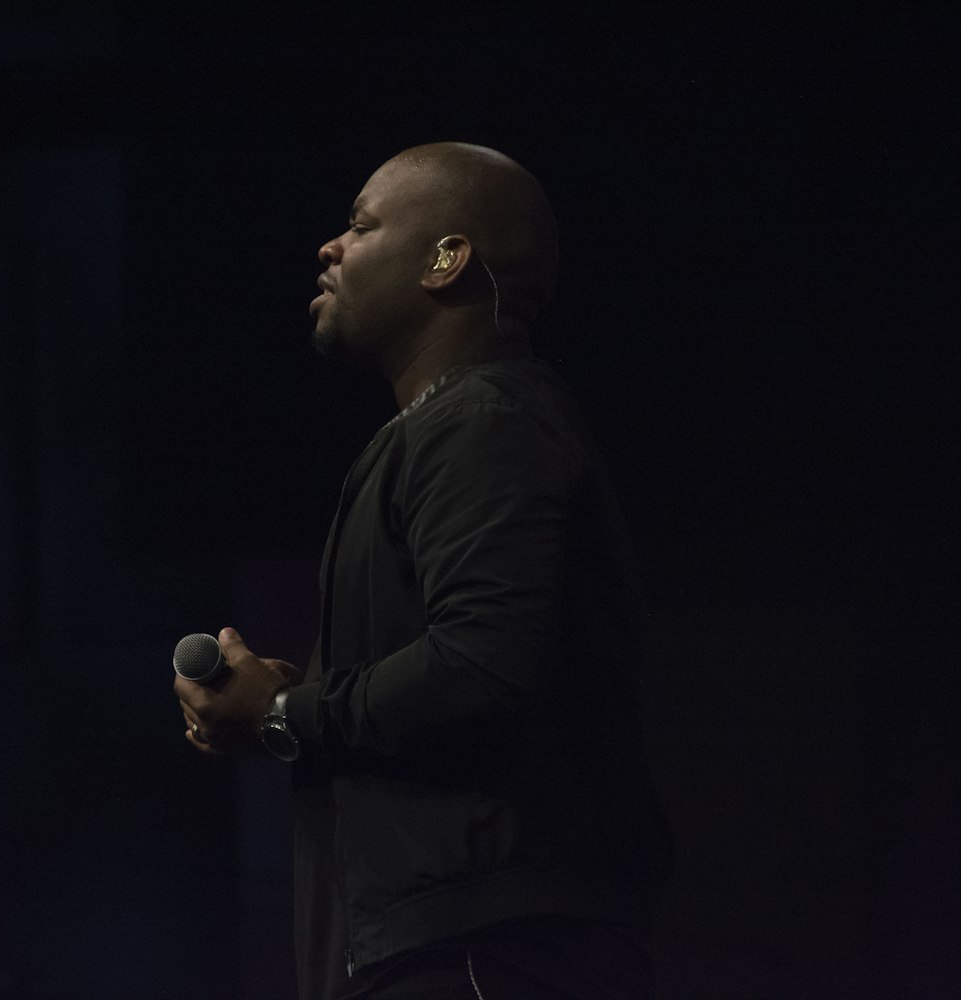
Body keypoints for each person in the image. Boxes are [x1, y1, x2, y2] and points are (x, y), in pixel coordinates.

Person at [174, 143, 672, 1000]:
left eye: (362, 225)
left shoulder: (485, 420)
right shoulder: (447, 428)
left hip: (478, 951)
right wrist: (293, 704)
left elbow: (486, 661)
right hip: (438, 948)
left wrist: (287, 712)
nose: (331, 245)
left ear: (446, 260)